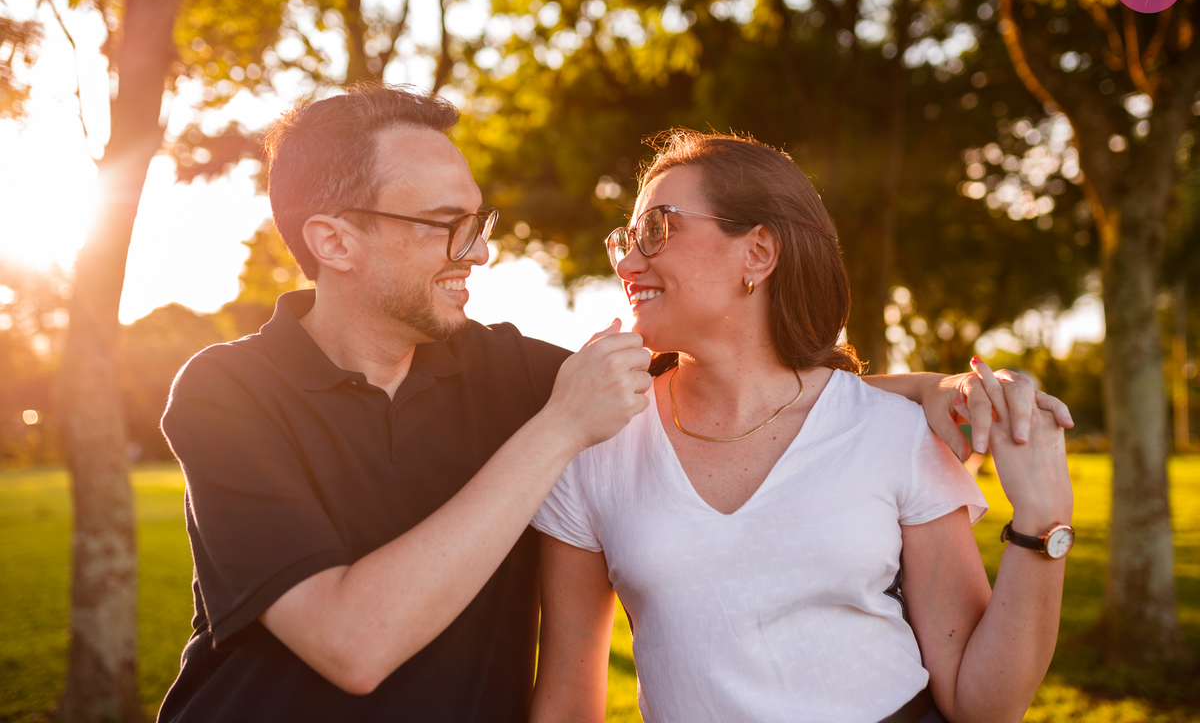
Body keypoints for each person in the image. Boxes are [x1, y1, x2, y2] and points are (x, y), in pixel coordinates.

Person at [157, 85, 1065, 723]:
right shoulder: (227, 394)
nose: (476, 253)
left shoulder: (513, 373)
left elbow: (759, 391)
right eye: (446, 225)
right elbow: (353, 644)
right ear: (333, 241)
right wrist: (557, 429)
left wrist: (930, 395)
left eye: (479, 221)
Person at [530, 131, 1075, 723]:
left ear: (758, 252)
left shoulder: (893, 431)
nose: (629, 263)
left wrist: (1044, 520)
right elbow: (566, 698)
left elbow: (981, 707)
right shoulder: (591, 444)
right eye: (627, 240)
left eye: (659, 228)